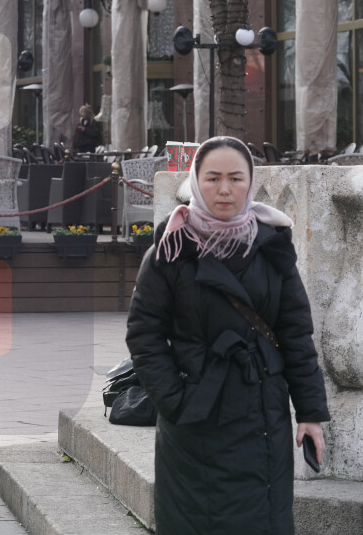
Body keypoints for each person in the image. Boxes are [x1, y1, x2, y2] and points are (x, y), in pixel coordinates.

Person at [126, 136, 329, 534]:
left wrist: (310, 413)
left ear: (250, 183)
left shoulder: (272, 245)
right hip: (197, 417)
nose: (224, 189)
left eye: (235, 178)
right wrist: (174, 401)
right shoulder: (170, 250)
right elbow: (144, 335)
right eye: (213, 178)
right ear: (195, 182)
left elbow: (296, 334)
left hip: (263, 416)